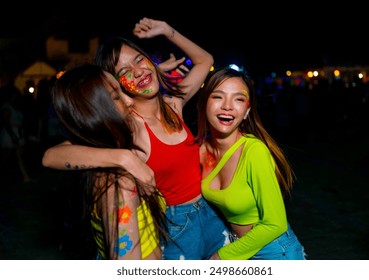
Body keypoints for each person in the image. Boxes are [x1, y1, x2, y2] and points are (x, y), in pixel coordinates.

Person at [42, 17, 230, 260]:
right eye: (124, 71)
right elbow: (51, 156)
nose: (137, 71)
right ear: (115, 85)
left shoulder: (174, 104)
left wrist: (166, 30)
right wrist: (124, 158)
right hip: (176, 228)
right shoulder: (129, 125)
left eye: (139, 60)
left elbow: (206, 61)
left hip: (211, 212)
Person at [50, 64, 167, 260]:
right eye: (116, 96)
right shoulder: (120, 186)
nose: (130, 101)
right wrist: (125, 158)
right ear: (94, 112)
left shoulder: (101, 158)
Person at [196, 66, 306, 260]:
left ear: (246, 112)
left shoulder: (254, 152)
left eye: (238, 99)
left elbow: (276, 223)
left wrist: (221, 257)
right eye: (218, 97)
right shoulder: (201, 151)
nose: (228, 106)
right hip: (238, 248)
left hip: (275, 251)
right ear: (204, 102)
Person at [0, 80, 32, 184]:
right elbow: (6, 123)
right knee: (9, 155)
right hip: (11, 134)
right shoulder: (7, 107)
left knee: (17, 155)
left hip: (18, 132)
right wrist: (13, 135)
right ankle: (24, 175)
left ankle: (23, 175)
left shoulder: (15, 107)